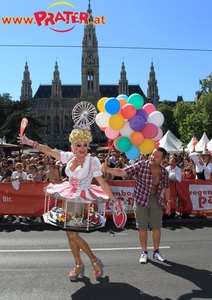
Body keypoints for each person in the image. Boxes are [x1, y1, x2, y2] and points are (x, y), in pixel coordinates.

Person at [18, 126, 115, 281]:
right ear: (73, 146)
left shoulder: (93, 161)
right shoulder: (69, 157)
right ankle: (79, 264)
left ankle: (94, 260)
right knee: (70, 233)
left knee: (73, 234)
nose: (82, 148)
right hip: (69, 197)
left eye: (85, 145)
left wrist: (113, 199)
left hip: (82, 199)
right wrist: (30, 142)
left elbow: (102, 183)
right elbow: (49, 150)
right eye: (79, 145)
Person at [102, 147, 171, 264]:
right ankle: (144, 252)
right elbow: (123, 171)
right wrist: (107, 169)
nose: (153, 157)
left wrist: (168, 201)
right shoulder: (141, 165)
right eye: (153, 154)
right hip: (140, 199)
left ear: (163, 159)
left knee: (156, 226)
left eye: (157, 156)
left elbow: (167, 186)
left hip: (156, 199)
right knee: (142, 227)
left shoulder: (164, 172)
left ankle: (156, 251)